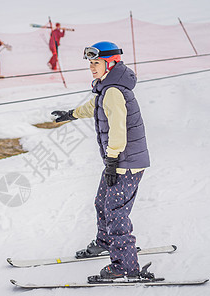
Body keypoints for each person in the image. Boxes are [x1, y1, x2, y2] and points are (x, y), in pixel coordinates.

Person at [51, 41, 151, 282]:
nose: (92, 67)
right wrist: (70, 115)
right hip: (120, 161)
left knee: (116, 213)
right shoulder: (108, 88)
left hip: (124, 162)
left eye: (96, 63)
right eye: (90, 63)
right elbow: (94, 107)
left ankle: (125, 266)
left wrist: (112, 160)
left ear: (111, 63)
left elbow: (118, 129)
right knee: (102, 202)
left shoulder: (114, 91)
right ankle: (105, 242)